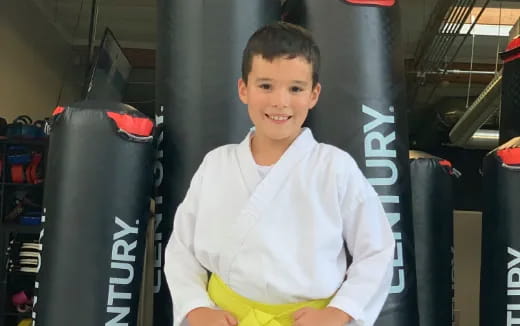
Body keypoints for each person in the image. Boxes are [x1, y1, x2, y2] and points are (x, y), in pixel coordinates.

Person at [165, 21, 395, 326]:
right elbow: (182, 247)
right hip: (227, 318)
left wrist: (339, 312)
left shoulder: (334, 167)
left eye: (296, 89)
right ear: (243, 89)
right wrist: (195, 307)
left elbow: (377, 250)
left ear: (314, 94)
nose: (280, 102)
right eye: (265, 86)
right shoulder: (216, 165)